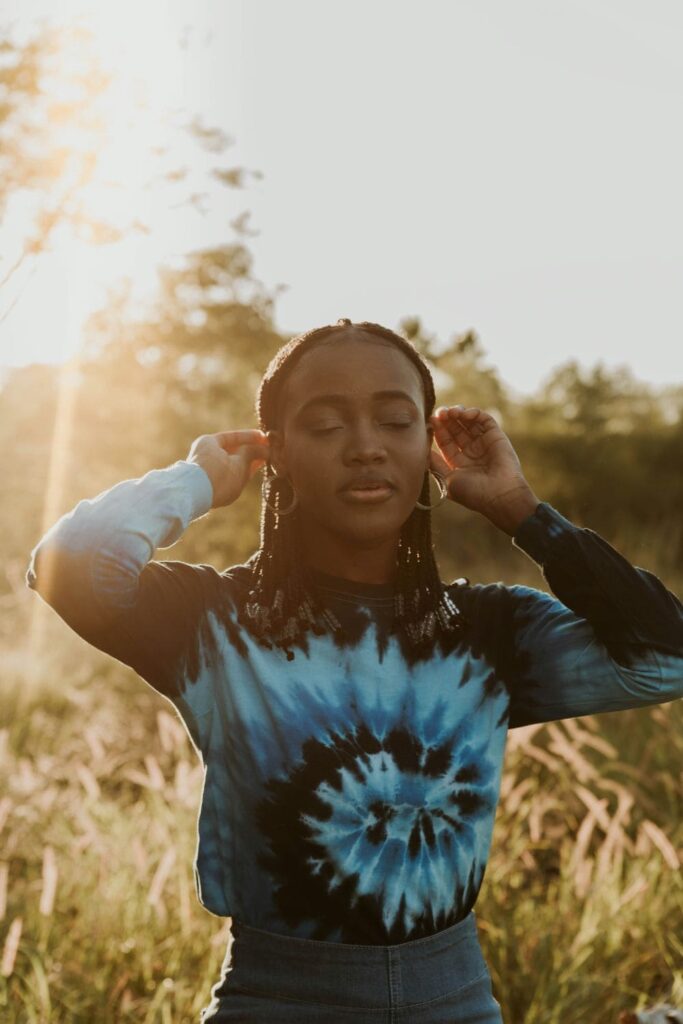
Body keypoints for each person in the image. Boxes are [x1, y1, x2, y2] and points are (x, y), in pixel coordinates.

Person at [26, 318, 683, 1022]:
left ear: (425, 447)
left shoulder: (489, 632)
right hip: (274, 1002)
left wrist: (519, 511)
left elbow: (665, 658)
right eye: (326, 424)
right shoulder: (213, 623)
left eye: (395, 421)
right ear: (277, 456)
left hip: (455, 1002)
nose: (366, 446)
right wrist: (196, 480)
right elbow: (70, 566)